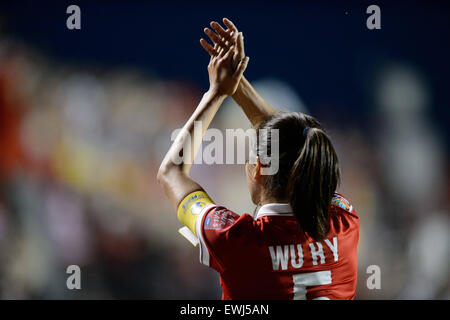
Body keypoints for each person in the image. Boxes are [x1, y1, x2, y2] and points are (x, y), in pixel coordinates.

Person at [157, 18, 359, 300]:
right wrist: (235, 83)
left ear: (260, 168)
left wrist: (217, 92)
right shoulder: (344, 222)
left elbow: (170, 173)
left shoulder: (234, 239)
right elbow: (295, 145)